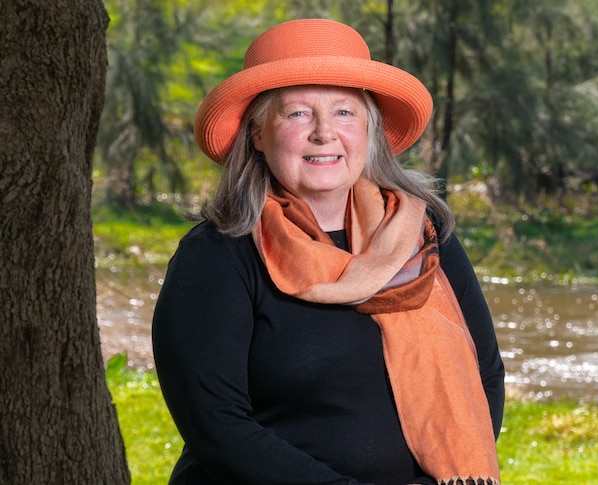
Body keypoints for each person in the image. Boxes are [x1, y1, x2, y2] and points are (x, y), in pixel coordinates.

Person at [152, 18, 505, 485]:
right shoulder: (218, 255)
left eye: (344, 112)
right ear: (258, 135)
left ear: (369, 131)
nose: (324, 133)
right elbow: (218, 426)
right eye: (297, 113)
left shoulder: (424, 233)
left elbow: (484, 375)